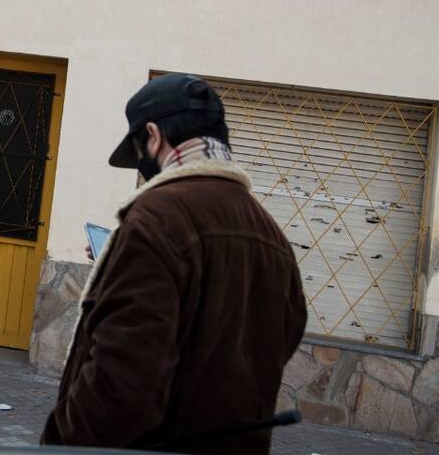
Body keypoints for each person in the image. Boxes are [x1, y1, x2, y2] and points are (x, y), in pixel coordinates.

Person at [42, 73, 307, 453]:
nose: (140, 164)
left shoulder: (156, 219)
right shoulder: (268, 231)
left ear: (154, 135)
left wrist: (64, 444)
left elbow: (122, 382)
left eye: (137, 150)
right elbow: (279, 334)